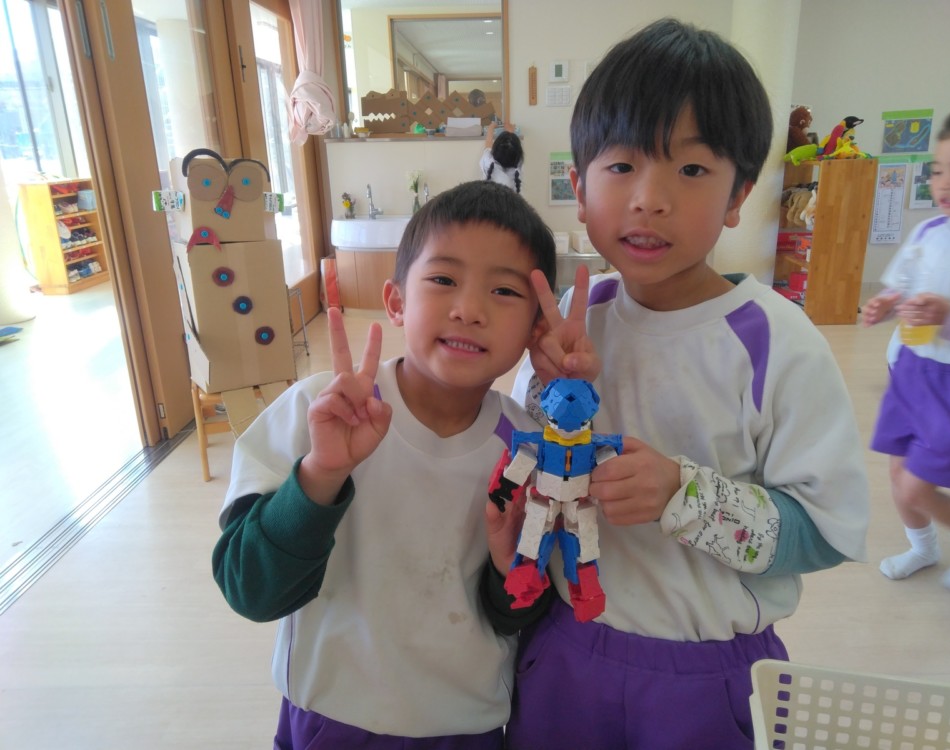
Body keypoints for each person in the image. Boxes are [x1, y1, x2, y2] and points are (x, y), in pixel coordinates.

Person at [498, 18, 869, 749]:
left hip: (709, 675)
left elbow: (823, 532)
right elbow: (523, 463)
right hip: (568, 651)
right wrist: (545, 392)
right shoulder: (576, 318)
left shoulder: (777, 340)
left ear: (739, 196)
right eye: (621, 165)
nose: (650, 198)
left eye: (692, 170)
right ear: (579, 188)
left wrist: (686, 496)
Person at [211, 180, 560, 750]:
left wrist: (508, 569)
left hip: (464, 728)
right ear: (396, 301)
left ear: (534, 328)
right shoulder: (317, 411)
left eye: (503, 290)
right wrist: (320, 476)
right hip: (329, 717)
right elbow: (250, 589)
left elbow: (517, 616)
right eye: (443, 280)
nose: (469, 310)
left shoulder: (529, 450)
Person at [862, 98, 950, 591]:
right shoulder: (929, 230)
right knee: (899, 476)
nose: (943, 183)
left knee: (918, 485)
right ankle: (922, 548)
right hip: (910, 371)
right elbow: (904, 287)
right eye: (937, 170)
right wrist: (886, 305)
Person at [481, 121, 523, 193]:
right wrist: (510, 132)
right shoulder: (518, 166)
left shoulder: (488, 162)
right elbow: (513, 149)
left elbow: (488, 144)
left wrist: (491, 127)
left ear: (494, 151)